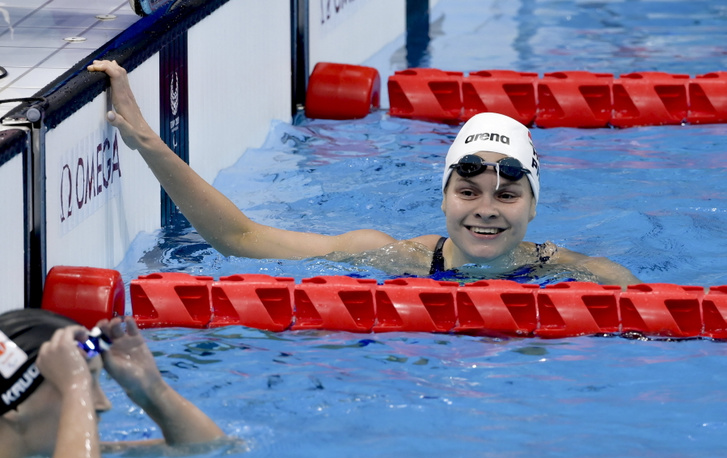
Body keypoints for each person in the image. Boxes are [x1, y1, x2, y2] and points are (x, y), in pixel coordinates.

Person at [87, 60, 641, 288]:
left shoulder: (583, 275)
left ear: (535, 205)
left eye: (508, 194)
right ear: (444, 198)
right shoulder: (389, 255)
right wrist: (145, 139)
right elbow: (239, 239)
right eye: (468, 190)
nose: (486, 208)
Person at [0, 309, 226, 458]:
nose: (103, 404)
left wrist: (152, 389)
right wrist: (76, 387)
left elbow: (213, 452)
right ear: (14, 405)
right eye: (71, 382)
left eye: (94, 383)